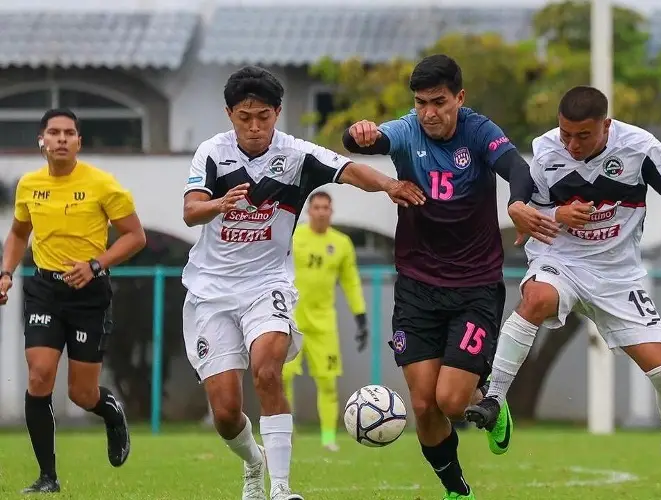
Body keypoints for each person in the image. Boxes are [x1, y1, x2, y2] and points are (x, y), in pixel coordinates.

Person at [181, 65, 424, 500]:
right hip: (211, 290)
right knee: (225, 412)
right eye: (244, 117)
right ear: (229, 113)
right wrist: (220, 203)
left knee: (269, 371)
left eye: (264, 117)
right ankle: (253, 462)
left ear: (278, 112)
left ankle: (280, 487)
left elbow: (349, 170)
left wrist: (389, 184)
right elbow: (190, 211)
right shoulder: (212, 154)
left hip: (267, 283)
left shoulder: (296, 156)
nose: (254, 127)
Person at [465, 85, 661, 493]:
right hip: (562, 260)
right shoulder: (547, 151)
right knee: (538, 298)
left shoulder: (640, 148)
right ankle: (493, 399)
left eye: (583, 135)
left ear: (607, 125)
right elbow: (532, 212)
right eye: (566, 133)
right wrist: (557, 214)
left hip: (619, 276)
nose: (572, 144)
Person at [342, 54, 559, 500]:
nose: (429, 113)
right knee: (423, 405)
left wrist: (518, 203)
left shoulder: (479, 132)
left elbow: (518, 168)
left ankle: (493, 407)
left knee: (452, 401)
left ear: (459, 98)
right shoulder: (406, 130)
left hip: (474, 288)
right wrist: (358, 132)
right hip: (417, 287)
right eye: (421, 103)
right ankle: (457, 491)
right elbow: (366, 141)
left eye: (439, 102)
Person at [0, 108, 146, 494]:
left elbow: (135, 236)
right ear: (42, 141)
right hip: (44, 290)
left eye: (69, 133)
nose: (61, 138)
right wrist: (6, 272)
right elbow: (18, 233)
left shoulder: (102, 185)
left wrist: (95, 265)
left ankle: (110, 412)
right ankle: (47, 477)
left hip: (89, 294)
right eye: (54, 132)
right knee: (38, 375)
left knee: (81, 394)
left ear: (79, 142)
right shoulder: (29, 185)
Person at [282, 190, 369, 452]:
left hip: (324, 323)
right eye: (316, 207)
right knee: (282, 377)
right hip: (292, 319)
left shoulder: (341, 243)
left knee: (328, 382)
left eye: (325, 207)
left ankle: (328, 437)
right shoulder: (294, 238)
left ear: (331, 211)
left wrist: (360, 316)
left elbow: (351, 281)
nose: (320, 212)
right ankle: (286, 432)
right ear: (309, 211)